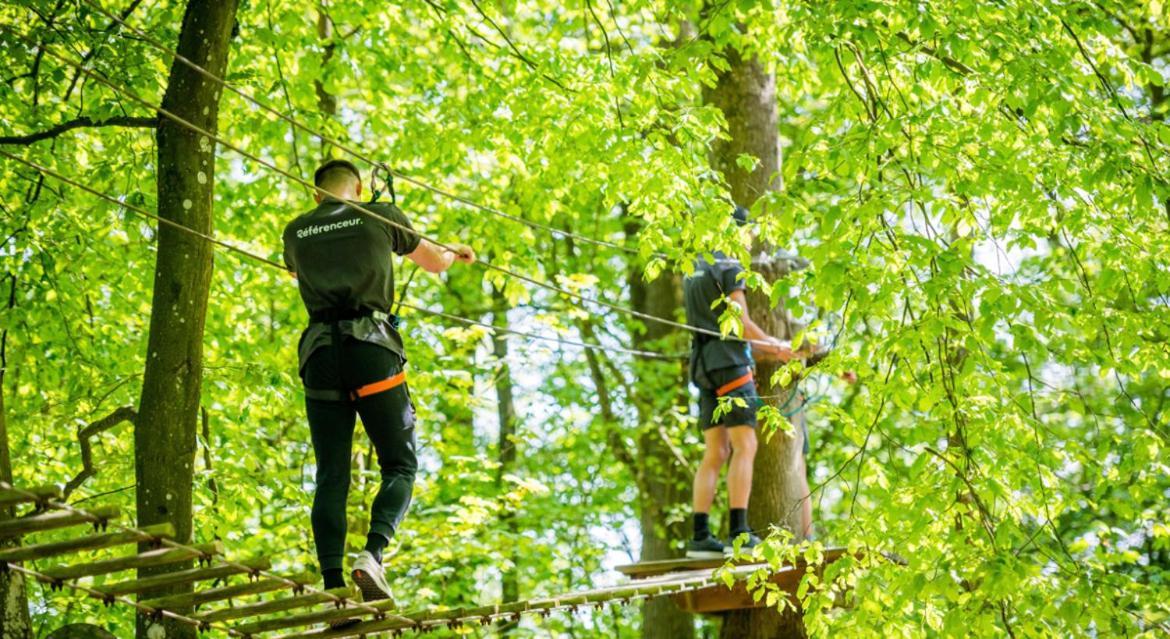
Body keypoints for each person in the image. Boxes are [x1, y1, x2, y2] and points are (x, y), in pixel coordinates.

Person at [282, 159, 475, 607]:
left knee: (331, 474)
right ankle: (373, 554)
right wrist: (455, 252)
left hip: (320, 355)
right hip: (371, 351)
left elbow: (296, 271)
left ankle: (332, 583)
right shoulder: (379, 213)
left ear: (316, 195)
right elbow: (433, 261)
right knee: (400, 463)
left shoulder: (295, 231)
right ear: (360, 186)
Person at [683, 205, 798, 559]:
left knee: (715, 451)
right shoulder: (730, 268)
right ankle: (739, 533)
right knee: (744, 446)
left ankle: (700, 536)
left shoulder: (694, 270)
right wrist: (775, 347)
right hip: (730, 364)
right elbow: (740, 322)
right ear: (737, 232)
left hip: (702, 367)